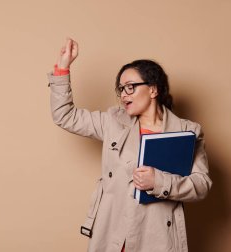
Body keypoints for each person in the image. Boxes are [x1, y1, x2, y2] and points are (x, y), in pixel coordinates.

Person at [47, 37, 212, 252]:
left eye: (131, 87)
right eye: (121, 89)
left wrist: (158, 181)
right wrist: (62, 68)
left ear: (153, 90)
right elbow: (65, 116)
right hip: (113, 231)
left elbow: (201, 185)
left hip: (155, 237)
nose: (124, 94)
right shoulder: (113, 121)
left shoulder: (186, 131)